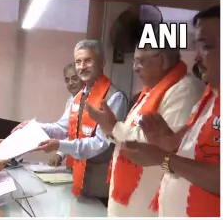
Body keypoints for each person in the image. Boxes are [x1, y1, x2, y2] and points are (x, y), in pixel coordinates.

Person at [86, 35, 205, 216]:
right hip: (129, 201)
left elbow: (159, 146)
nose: (134, 68)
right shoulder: (149, 92)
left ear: (162, 60)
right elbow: (131, 134)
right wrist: (110, 129)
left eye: (140, 62)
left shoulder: (185, 90)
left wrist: (114, 127)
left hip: (148, 206)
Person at [121, 5, 220, 217]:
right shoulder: (210, 96)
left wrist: (164, 157)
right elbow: (191, 154)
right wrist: (169, 143)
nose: (197, 58)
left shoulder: (187, 89)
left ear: (162, 60)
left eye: (208, 46)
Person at [28, 40, 129, 199]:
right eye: (78, 62)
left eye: (88, 61)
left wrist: (60, 145)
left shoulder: (114, 97)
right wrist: (33, 127)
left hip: (100, 185)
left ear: (102, 62)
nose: (82, 67)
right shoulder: (79, 97)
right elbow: (62, 129)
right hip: (77, 179)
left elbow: (100, 143)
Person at [13, 63, 85, 167]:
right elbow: (68, 131)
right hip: (75, 159)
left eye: (74, 79)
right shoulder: (72, 100)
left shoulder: (86, 101)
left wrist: (36, 127)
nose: (70, 83)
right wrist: (60, 154)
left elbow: (64, 131)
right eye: (67, 80)